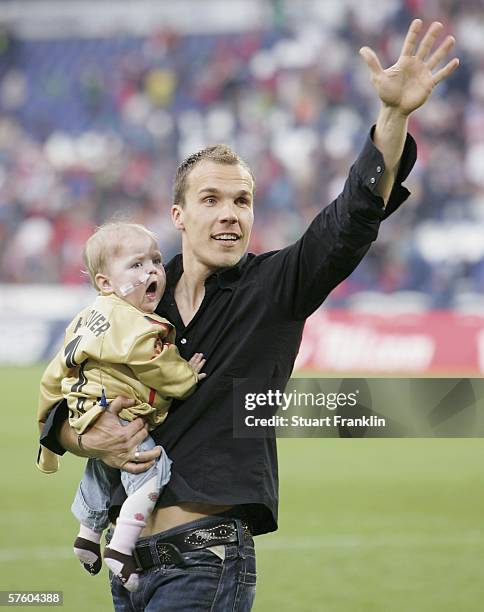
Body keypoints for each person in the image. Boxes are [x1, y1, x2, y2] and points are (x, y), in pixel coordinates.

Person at [39, 20, 458, 611]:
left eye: (242, 200)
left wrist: (392, 117)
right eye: (210, 200)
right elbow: (62, 393)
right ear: (179, 215)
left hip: (207, 562)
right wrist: (83, 434)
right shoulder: (134, 301)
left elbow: (350, 221)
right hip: (129, 570)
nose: (230, 213)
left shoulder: (275, 287)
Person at [37, 222, 206, 592]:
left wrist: (47, 436)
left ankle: (86, 534)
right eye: (136, 265)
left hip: (84, 408)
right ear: (105, 283)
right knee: (151, 471)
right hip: (122, 412)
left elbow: (53, 375)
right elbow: (155, 363)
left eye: (156, 261)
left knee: (102, 467)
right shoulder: (135, 323)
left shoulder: (86, 317)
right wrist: (186, 378)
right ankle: (121, 549)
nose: (151, 271)